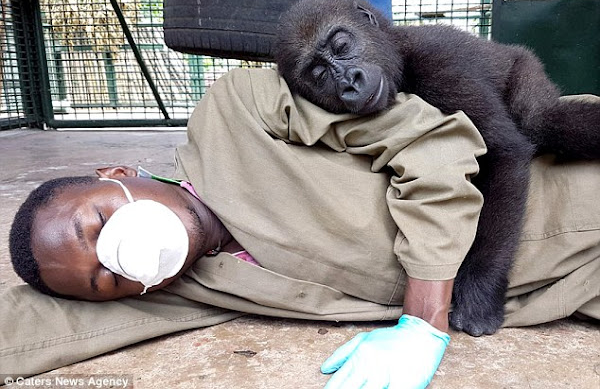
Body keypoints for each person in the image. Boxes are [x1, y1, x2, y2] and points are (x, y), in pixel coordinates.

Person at [2, 68, 599, 388]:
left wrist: (423, 320)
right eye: (107, 280)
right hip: (572, 285)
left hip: (562, 184)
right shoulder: (186, 285)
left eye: (100, 222)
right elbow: (32, 326)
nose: (122, 256)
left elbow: (435, 141)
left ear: (117, 173)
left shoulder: (235, 110)